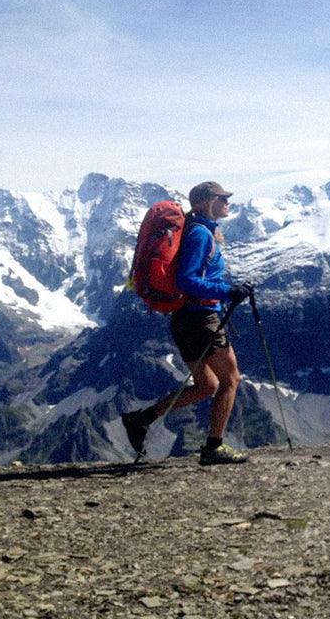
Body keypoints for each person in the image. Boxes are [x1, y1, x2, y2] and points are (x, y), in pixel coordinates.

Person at [122, 181, 254, 465]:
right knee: (230, 380)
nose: (228, 202)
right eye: (223, 198)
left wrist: (226, 292)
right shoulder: (200, 235)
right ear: (207, 202)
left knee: (206, 385)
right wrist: (228, 291)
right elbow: (187, 280)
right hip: (200, 319)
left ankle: (142, 419)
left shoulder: (201, 231)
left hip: (185, 320)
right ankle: (213, 447)